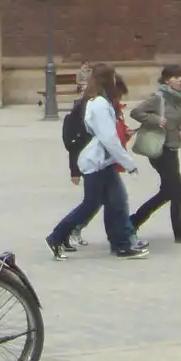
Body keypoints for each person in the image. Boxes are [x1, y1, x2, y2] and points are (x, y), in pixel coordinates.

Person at [47, 64, 147, 260]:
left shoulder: (100, 101)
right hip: (96, 162)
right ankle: (56, 236)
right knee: (91, 205)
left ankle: (121, 244)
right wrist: (129, 163)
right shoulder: (100, 104)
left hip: (103, 162)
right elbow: (109, 138)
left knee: (116, 203)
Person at [129, 64, 181, 244]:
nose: (180, 80)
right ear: (167, 80)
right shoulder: (158, 98)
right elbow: (135, 112)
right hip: (160, 149)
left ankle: (133, 221)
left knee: (170, 191)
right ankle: (179, 232)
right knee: (176, 191)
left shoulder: (180, 98)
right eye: (175, 77)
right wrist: (156, 119)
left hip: (173, 147)